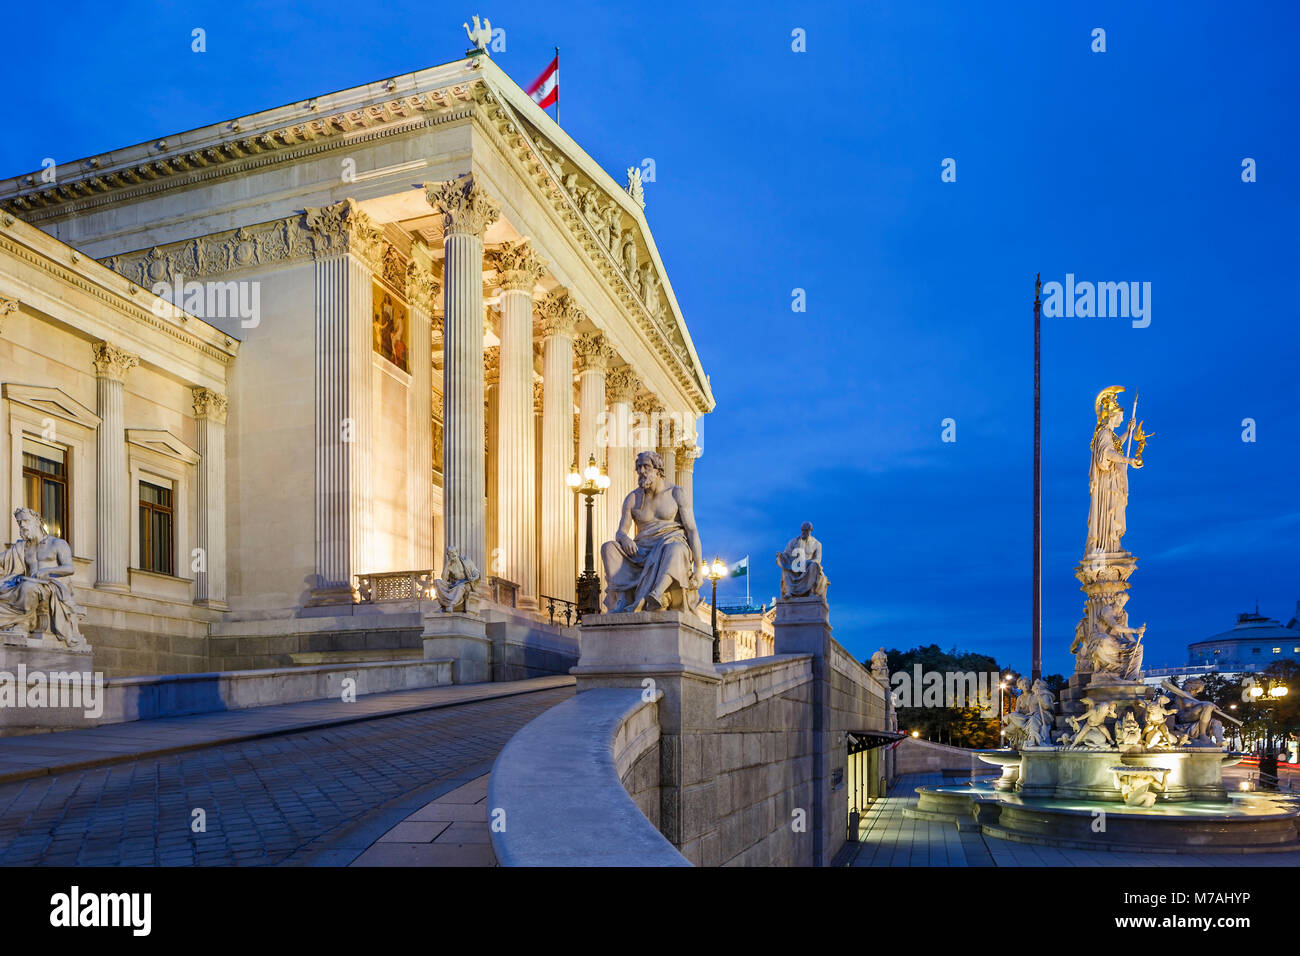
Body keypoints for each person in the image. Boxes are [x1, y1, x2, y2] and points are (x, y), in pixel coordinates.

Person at [602, 451, 703, 613]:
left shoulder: (676, 493)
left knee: (676, 549)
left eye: (646, 467)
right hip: (641, 550)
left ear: (658, 470)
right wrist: (625, 539)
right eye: (639, 467)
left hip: (669, 544)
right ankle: (621, 600)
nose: (641, 471)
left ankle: (657, 592)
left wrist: (699, 570)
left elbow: (692, 531)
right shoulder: (633, 498)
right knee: (608, 548)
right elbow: (621, 531)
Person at [0, 508, 86, 647]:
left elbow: (69, 568)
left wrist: (48, 570)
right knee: (9, 586)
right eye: (19, 522)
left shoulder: (58, 544)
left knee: (28, 587)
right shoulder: (23, 547)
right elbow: (2, 559)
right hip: (27, 584)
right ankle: (15, 621)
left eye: (25, 521)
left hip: (50, 586)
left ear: (37, 522)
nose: (22, 525)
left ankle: (23, 623)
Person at [776, 522, 829, 599]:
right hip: (796, 566)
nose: (804, 532)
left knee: (814, 566)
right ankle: (790, 591)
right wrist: (781, 556)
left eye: (806, 530)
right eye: (802, 530)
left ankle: (811, 591)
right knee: (786, 567)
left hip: (809, 566)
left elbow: (818, 559)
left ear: (810, 531)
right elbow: (787, 554)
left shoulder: (817, 544)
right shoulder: (793, 542)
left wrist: (808, 562)